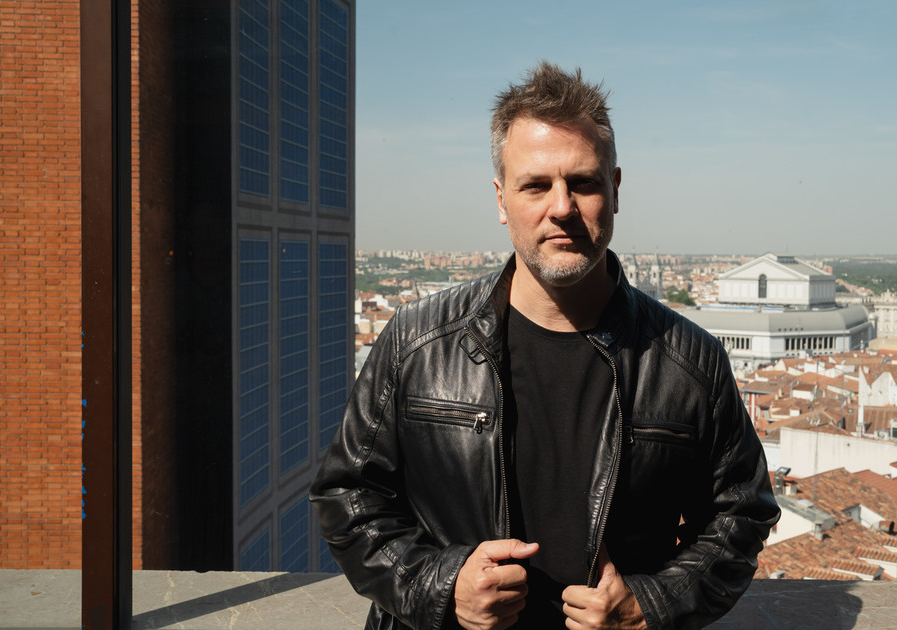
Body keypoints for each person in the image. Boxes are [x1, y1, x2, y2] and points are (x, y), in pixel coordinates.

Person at [310, 61, 779, 630]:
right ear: (501, 198)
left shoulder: (690, 361)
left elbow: (741, 516)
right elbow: (347, 496)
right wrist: (443, 587)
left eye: (583, 182)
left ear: (615, 189)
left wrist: (649, 606)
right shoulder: (417, 341)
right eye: (536, 185)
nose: (562, 207)